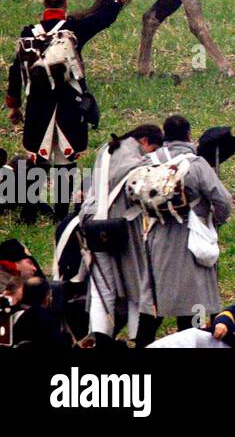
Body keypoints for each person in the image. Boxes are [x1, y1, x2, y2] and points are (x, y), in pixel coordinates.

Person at [7, 0, 128, 222]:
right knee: (65, 163)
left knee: (37, 159)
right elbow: (108, 15)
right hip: (68, 107)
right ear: (65, 4)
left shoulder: (28, 33)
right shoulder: (75, 28)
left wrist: (14, 105)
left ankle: (28, 213)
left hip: (38, 108)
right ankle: (61, 214)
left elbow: (15, 71)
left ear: (44, 4)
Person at [133, 115, 232, 347]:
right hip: (191, 241)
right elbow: (223, 201)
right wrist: (212, 222)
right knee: (195, 305)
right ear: (189, 134)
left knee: (152, 304)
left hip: (155, 238)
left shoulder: (146, 162)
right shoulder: (196, 164)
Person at [81, 125, 161, 347]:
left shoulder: (105, 151)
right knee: (138, 287)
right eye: (151, 148)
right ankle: (137, 338)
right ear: (144, 141)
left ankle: (97, 339)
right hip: (125, 227)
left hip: (94, 224)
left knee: (101, 289)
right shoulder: (139, 163)